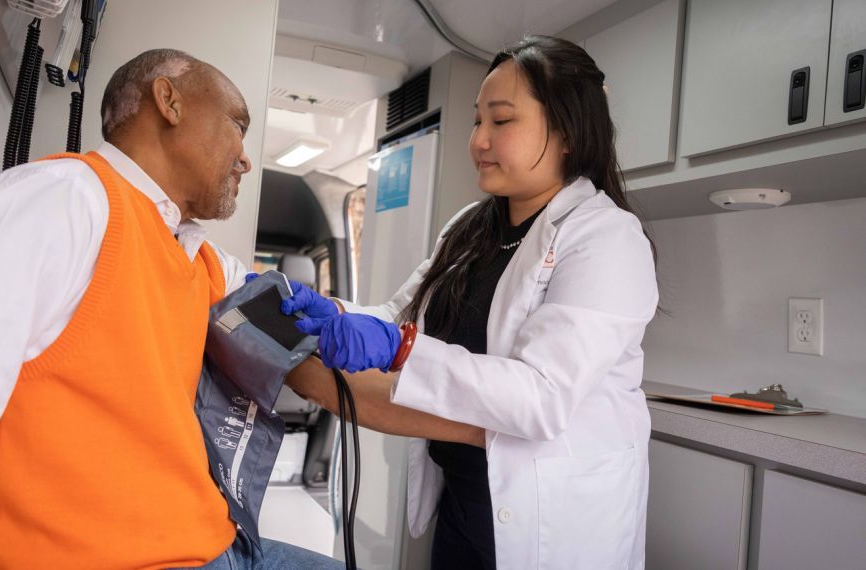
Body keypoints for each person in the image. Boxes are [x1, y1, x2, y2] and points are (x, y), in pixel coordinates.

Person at [0, 49, 341, 569]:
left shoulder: (194, 254)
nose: (245, 156)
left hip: (216, 543)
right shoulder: (67, 202)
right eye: (237, 125)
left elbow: (295, 310)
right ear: (169, 101)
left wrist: (377, 337)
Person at [276, 36, 659, 569]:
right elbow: (397, 318)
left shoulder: (607, 239)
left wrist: (400, 348)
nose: (478, 139)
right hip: (464, 501)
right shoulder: (470, 228)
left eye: (501, 121)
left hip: (551, 520)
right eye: (477, 121)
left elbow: (541, 396)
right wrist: (333, 312)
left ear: (568, 132)